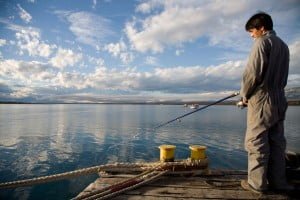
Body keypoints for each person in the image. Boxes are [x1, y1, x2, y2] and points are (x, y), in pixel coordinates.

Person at [239, 12, 293, 193]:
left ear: (262, 28)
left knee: (257, 142)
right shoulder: (284, 46)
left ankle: (257, 184)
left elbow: (252, 74)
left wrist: (245, 95)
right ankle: (279, 183)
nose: (251, 35)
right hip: (279, 99)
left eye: (252, 31)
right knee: (277, 142)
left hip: (262, 101)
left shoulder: (262, 42)